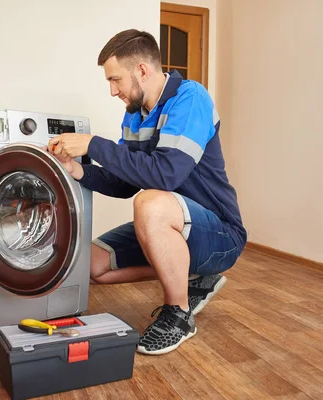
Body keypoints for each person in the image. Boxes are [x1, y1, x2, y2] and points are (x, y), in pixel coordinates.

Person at [47, 28, 246, 355]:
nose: (113, 91)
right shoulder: (134, 116)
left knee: (150, 202)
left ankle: (179, 313)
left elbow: (166, 175)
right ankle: (194, 277)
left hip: (221, 234)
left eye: (115, 80)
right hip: (172, 226)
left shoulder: (191, 99)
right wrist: (77, 170)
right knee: (91, 265)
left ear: (142, 70)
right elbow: (124, 183)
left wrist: (93, 144)